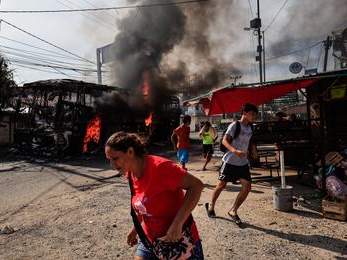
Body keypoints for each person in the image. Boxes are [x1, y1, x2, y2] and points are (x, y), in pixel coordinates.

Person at [105, 132, 204, 260]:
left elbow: (196, 186)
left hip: (178, 240)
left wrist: (177, 224)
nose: (112, 165)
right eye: (109, 160)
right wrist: (135, 229)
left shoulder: (160, 167)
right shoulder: (130, 175)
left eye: (115, 158)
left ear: (130, 152)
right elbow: (143, 206)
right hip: (150, 241)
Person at [205, 103, 258, 225]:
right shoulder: (235, 125)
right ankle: (211, 206)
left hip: (243, 163)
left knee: (247, 187)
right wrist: (234, 151)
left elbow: (251, 141)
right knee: (221, 185)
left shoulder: (251, 127)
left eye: (255, 114)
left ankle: (233, 210)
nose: (254, 116)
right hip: (230, 161)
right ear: (244, 113)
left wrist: (254, 151)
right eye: (252, 114)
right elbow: (224, 140)